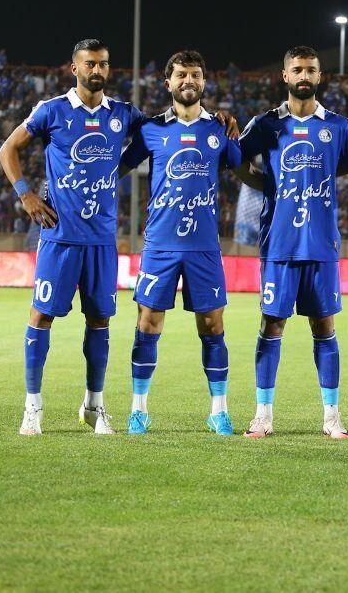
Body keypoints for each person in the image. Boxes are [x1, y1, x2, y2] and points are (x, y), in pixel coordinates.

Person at [235, 46, 348, 439]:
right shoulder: (265, 124)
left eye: (310, 70)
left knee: (324, 325)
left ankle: (331, 416)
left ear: (319, 76)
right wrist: (266, 185)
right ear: (285, 75)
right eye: (297, 69)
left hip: (320, 244)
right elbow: (234, 159)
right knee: (272, 323)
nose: (304, 75)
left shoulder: (338, 127)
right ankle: (263, 416)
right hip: (279, 243)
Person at [0, 38, 145, 436]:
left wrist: (120, 166)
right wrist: (26, 194)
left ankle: (94, 406)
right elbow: (8, 149)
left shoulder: (123, 113)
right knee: (41, 315)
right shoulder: (52, 110)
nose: (97, 70)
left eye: (103, 64)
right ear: (74, 68)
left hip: (101, 240)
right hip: (59, 237)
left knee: (99, 320)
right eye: (90, 64)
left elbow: (157, 133)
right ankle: (32, 407)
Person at [118, 50, 242, 436]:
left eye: (195, 75)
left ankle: (219, 411)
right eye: (181, 75)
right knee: (148, 322)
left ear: (204, 82)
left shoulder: (219, 129)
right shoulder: (151, 130)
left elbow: (242, 165)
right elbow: (117, 168)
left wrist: (233, 127)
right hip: (160, 245)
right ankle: (138, 410)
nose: (189, 81)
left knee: (212, 324)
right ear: (167, 83)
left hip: (204, 247)